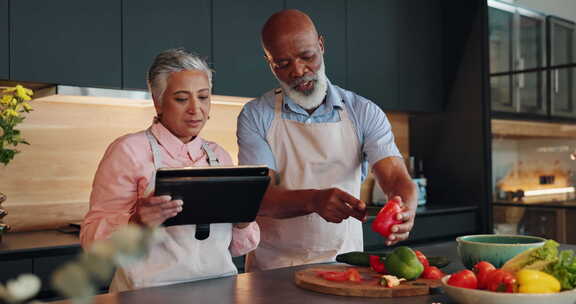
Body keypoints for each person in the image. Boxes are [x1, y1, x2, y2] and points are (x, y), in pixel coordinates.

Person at [237, 10, 417, 272]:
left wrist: (405, 208)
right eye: (283, 64)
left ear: (321, 45)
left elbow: (395, 177)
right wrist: (313, 200)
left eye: (307, 56)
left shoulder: (363, 112)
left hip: (345, 266)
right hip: (271, 271)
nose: (298, 71)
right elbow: (259, 198)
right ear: (269, 62)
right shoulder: (256, 115)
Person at [81, 49, 259, 291]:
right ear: (158, 101)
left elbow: (237, 247)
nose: (195, 109)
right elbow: (91, 241)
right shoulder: (128, 150)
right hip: (146, 293)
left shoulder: (219, 155)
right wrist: (135, 223)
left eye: (203, 97)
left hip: (217, 290)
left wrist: (241, 222)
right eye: (182, 99)